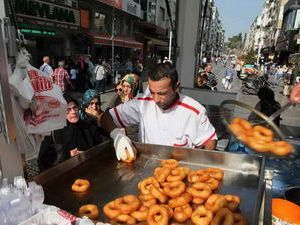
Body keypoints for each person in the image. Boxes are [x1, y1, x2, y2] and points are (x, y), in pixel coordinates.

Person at [101, 62, 217, 161]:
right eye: (152, 92)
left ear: (176, 87)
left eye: (162, 93)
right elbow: (106, 117)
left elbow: (209, 140)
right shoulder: (143, 103)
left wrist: (199, 163)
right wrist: (117, 136)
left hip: (178, 172)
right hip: (146, 167)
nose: (155, 99)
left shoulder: (194, 111)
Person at [38, 95, 104, 172]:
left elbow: (102, 146)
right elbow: (43, 161)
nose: (73, 112)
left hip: (91, 172)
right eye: (68, 110)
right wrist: (68, 155)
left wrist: (87, 154)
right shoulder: (53, 132)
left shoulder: (88, 127)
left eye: (75, 108)